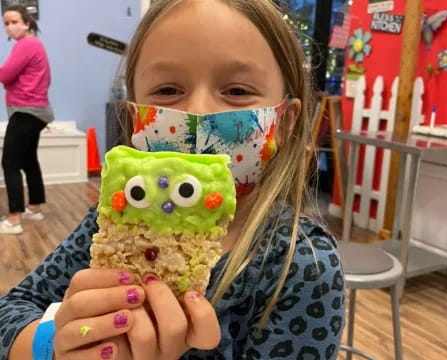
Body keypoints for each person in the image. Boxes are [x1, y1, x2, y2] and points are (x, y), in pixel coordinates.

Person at [0, 0, 345, 359]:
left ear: (285, 122)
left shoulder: (304, 264)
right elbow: (10, 311)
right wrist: (52, 346)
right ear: (136, 118)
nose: (198, 112)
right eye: (167, 91)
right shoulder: (120, 217)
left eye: (238, 91)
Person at [0, 5, 54, 235]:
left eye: (14, 21)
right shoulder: (34, 44)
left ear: (27, 23)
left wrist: (7, 80)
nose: (10, 27)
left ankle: (14, 219)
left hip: (26, 111)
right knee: (28, 160)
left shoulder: (27, 45)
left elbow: (5, 75)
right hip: (37, 111)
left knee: (10, 162)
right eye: (6, 23)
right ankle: (35, 207)